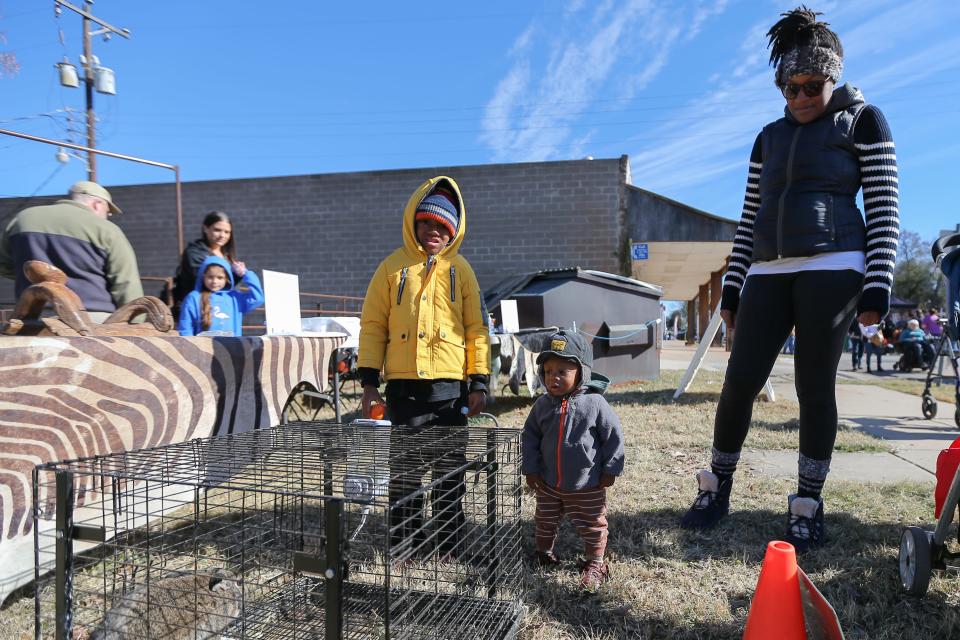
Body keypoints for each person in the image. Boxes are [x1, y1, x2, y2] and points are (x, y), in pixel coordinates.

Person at [680, 7, 900, 552]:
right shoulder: (768, 138)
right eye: (790, 87)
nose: (801, 97)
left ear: (833, 78)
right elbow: (749, 215)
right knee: (739, 382)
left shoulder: (864, 120)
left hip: (834, 266)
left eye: (811, 86)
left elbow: (885, 205)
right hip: (766, 272)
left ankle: (806, 502)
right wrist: (732, 288)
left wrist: (878, 284)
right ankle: (717, 485)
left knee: (813, 387)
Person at [356, 176, 490, 559]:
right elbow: (373, 325)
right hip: (403, 391)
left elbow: (476, 328)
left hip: (450, 392)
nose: (433, 231)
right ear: (413, 224)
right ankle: (404, 546)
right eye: (426, 223)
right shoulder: (391, 268)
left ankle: (448, 544)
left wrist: (478, 382)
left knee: (450, 473)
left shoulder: (461, 269)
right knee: (405, 474)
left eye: (442, 226)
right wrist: (369, 382)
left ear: (453, 232)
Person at [521, 330, 624, 592]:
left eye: (562, 371)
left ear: (581, 372)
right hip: (547, 483)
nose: (553, 378)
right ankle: (544, 552)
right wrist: (531, 468)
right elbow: (530, 436)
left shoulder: (595, 404)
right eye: (547, 371)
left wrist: (611, 468)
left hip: (586, 484)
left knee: (592, 524)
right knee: (544, 520)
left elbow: (613, 437)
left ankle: (595, 562)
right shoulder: (542, 405)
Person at [0, 180, 143, 321]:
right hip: (92, 320)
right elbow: (125, 283)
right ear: (97, 204)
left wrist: (31, 276)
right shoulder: (107, 230)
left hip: (33, 320)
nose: (108, 217)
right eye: (108, 212)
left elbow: (3, 265)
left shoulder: (23, 218)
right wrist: (137, 322)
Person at [177, 255, 263, 336]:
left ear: (227, 279)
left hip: (231, 350)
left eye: (220, 277)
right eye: (210, 277)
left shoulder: (235, 298)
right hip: (203, 350)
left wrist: (246, 274)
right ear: (203, 277)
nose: (214, 281)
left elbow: (258, 298)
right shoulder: (193, 298)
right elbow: (185, 328)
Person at [172, 211, 240, 311]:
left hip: (225, 309)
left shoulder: (228, 256)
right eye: (217, 230)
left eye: (227, 232)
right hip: (199, 309)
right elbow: (208, 282)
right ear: (205, 228)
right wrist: (238, 276)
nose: (222, 235)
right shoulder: (194, 253)